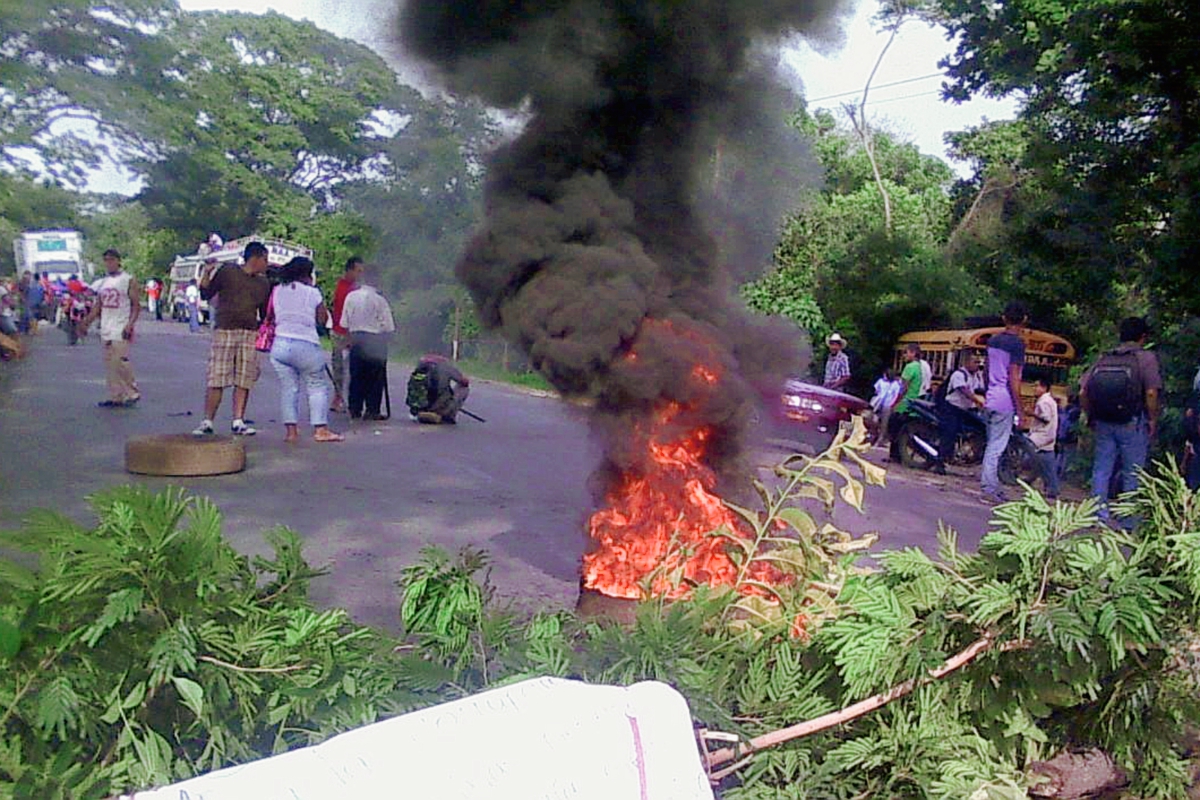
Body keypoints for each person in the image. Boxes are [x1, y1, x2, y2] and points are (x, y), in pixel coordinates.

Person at [1081, 316, 1161, 513]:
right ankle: (1128, 520)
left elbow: (1083, 391)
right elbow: (1151, 392)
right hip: (1132, 421)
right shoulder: (1146, 359)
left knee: (1101, 469)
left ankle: (1097, 515)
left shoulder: (1104, 358)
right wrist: (1152, 419)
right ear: (1143, 337)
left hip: (1103, 421)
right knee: (1132, 473)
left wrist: (1090, 415)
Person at [191, 242, 271, 437]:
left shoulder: (263, 283)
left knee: (244, 378)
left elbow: (263, 313)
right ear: (255, 258)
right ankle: (207, 421)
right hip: (225, 330)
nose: (266, 264)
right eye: (265, 259)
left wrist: (261, 333)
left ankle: (238, 420)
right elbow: (206, 293)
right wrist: (206, 273)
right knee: (217, 376)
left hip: (249, 332)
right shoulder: (228, 271)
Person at [268, 257, 344, 443]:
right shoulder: (313, 292)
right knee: (316, 386)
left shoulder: (277, 290)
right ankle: (320, 430)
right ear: (307, 274)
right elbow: (322, 319)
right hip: (306, 343)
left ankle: (291, 432)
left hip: (280, 343)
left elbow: (271, 314)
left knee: (289, 388)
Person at [78, 249, 141, 407]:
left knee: (120, 360)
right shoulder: (103, 283)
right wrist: (86, 322)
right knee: (110, 363)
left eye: (112, 260)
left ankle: (132, 392)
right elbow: (97, 307)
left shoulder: (128, 280)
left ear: (118, 261)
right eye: (106, 260)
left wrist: (130, 324)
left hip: (121, 325)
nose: (109, 263)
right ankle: (116, 395)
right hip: (106, 326)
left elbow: (136, 306)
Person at [980, 301, 1028, 504]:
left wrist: (987, 392)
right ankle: (989, 488)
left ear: (1004, 318)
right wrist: (1021, 410)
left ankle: (993, 485)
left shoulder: (992, 341)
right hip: (1005, 401)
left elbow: (986, 371)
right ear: (1024, 320)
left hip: (991, 398)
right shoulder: (1017, 345)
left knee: (992, 444)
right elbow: (1014, 379)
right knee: (996, 447)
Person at [340, 268, 395, 421]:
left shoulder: (351, 297)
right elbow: (388, 326)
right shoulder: (380, 300)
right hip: (375, 340)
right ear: (376, 280)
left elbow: (344, 323)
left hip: (356, 339)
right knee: (375, 378)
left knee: (356, 376)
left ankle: (355, 408)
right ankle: (372, 410)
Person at [936, 351, 986, 473]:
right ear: (967, 362)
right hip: (951, 408)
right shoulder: (959, 374)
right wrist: (977, 400)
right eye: (975, 362)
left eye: (979, 362)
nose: (977, 365)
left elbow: (980, 390)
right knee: (950, 432)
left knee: (979, 427)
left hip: (965, 409)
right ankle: (940, 462)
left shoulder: (977, 376)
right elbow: (964, 390)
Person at [329, 256, 365, 413]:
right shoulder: (342, 286)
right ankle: (337, 397)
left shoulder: (358, 289)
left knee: (353, 368)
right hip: (339, 331)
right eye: (358, 271)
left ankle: (352, 399)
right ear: (349, 270)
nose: (360, 275)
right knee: (338, 367)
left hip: (353, 333)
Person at [407, 354, 471, 424]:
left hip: (419, 407)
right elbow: (464, 382)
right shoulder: (446, 366)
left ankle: (420, 412)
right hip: (438, 406)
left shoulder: (421, 364)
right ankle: (448, 416)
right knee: (464, 388)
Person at [887, 343, 924, 460]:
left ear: (913, 353)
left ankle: (894, 455)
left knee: (894, 429)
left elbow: (903, 388)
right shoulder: (919, 367)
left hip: (904, 403)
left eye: (906, 352)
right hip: (914, 402)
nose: (904, 355)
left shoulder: (910, 367)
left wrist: (895, 402)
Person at [1029, 378, 1060, 499]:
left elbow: (1046, 418)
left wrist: (1031, 413)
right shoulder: (1049, 400)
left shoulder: (1044, 402)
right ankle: (1051, 488)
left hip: (1041, 436)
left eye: (1037, 386)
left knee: (1030, 453)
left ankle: (1050, 487)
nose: (1035, 389)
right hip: (1048, 436)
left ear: (1044, 387)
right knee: (1048, 465)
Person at [870, 368, 902, 447]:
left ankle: (881, 439)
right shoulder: (881, 381)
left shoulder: (895, 384)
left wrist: (893, 405)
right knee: (874, 420)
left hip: (888, 404)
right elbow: (876, 390)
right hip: (878, 403)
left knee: (884, 423)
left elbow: (897, 395)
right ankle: (874, 435)